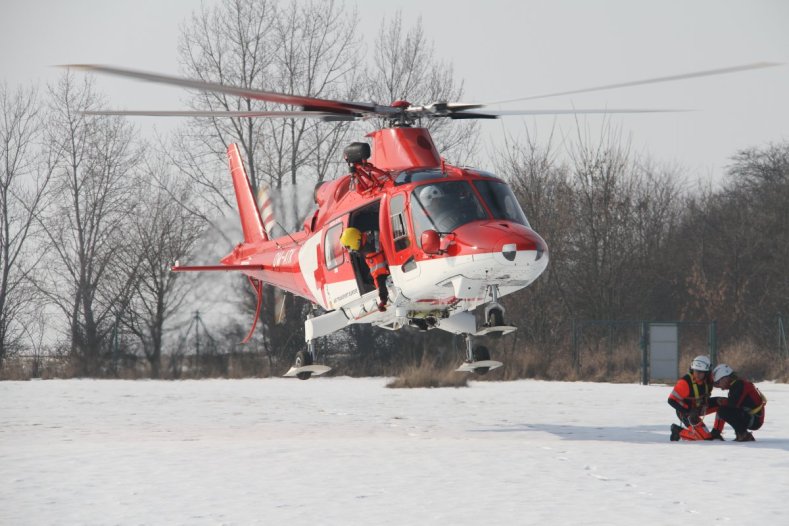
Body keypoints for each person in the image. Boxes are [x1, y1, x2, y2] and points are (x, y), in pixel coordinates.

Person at [667, 355, 723, 441]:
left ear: (707, 372)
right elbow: (671, 400)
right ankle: (678, 431)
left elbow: (723, 381)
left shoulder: (709, 379)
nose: (698, 374)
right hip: (686, 412)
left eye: (701, 372)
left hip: (701, 407)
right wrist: (688, 411)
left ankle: (716, 433)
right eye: (696, 371)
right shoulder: (684, 383)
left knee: (724, 403)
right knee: (705, 438)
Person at [710, 364, 767, 442]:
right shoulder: (737, 384)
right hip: (752, 415)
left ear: (725, 378)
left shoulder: (739, 385)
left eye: (718, 383)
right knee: (722, 406)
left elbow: (732, 405)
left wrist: (719, 401)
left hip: (754, 419)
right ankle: (736, 433)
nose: (721, 388)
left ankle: (743, 434)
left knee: (723, 410)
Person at [340, 227, 389, 312]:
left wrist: (383, 299)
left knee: (370, 279)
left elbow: (378, 275)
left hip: (389, 266)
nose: (350, 250)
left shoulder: (371, 253)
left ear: (353, 242)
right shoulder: (370, 234)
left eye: (348, 247)